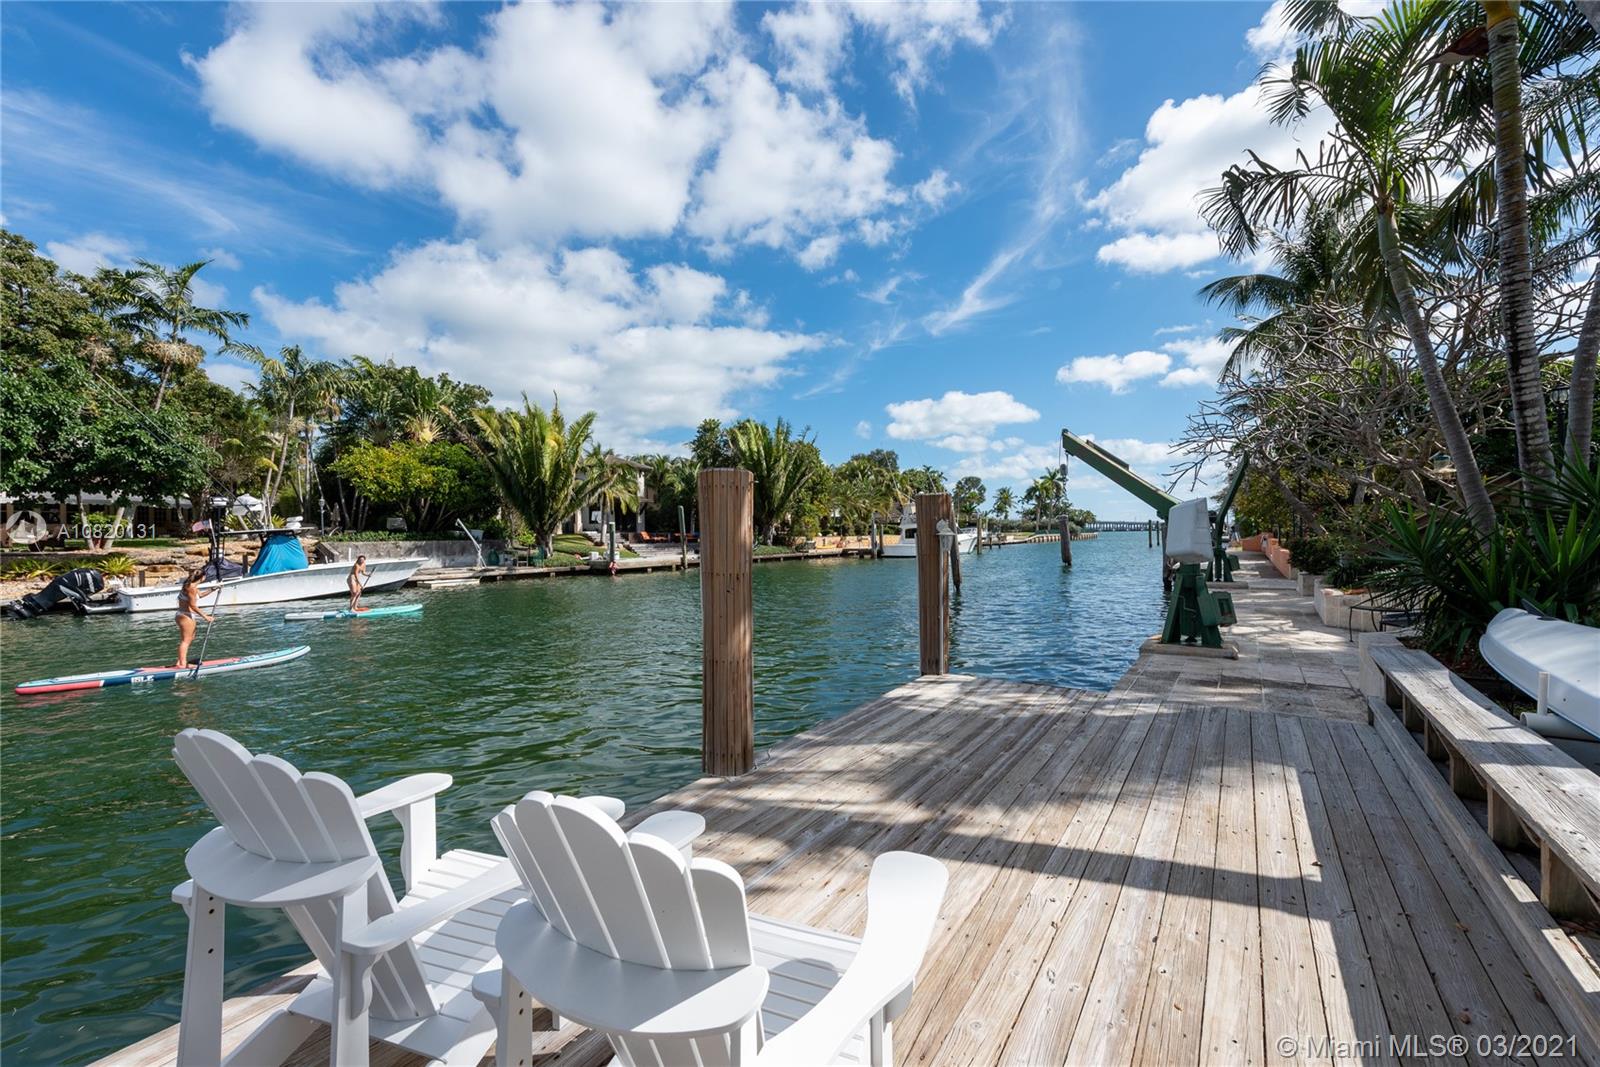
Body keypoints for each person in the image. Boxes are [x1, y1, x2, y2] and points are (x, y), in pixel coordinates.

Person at [175, 568, 215, 668]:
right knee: (186, 640)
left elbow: (200, 595)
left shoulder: (192, 586)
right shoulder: (191, 588)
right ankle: (182, 664)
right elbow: (193, 605)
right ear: (202, 577)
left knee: (190, 638)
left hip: (184, 615)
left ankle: (180, 661)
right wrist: (206, 617)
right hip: (185, 615)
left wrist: (212, 589)